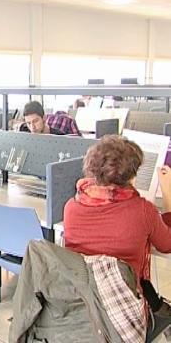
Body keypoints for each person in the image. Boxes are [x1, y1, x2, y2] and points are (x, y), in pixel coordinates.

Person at [64, 135, 171, 319]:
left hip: (82, 307)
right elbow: (167, 244)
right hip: (124, 312)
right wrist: (168, 194)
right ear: (130, 175)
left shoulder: (71, 207)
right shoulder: (143, 210)